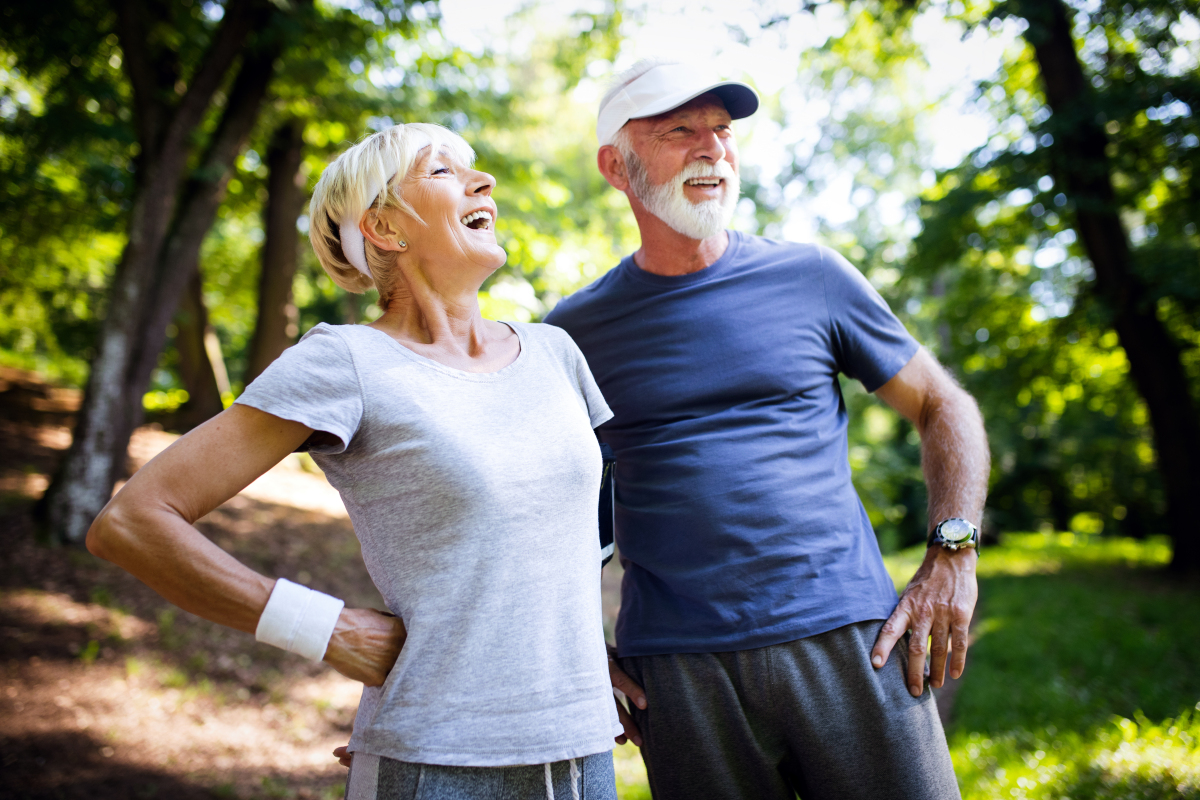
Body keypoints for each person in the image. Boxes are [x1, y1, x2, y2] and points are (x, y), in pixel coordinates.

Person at [86, 122, 622, 800]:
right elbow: (131, 522)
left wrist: (594, 654)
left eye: (474, 171)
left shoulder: (556, 353)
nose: (482, 182)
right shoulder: (347, 362)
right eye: (442, 172)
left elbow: (580, 541)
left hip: (581, 750)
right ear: (386, 228)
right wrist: (328, 631)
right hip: (434, 760)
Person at [541, 60, 992, 800]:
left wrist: (953, 554)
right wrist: (577, 644)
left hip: (850, 639)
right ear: (615, 167)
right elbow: (551, 506)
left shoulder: (812, 276)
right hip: (680, 672)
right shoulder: (572, 333)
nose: (711, 148)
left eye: (721, 130)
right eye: (680, 130)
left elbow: (946, 407)